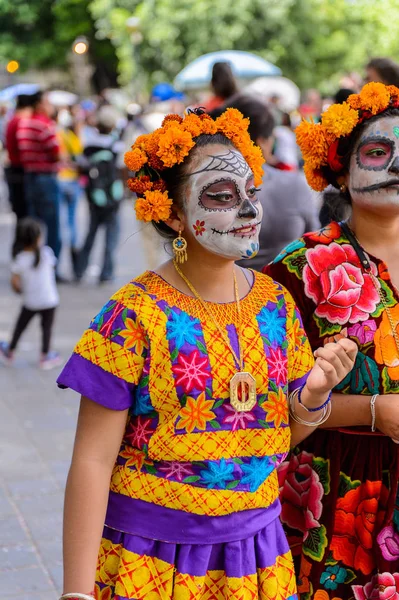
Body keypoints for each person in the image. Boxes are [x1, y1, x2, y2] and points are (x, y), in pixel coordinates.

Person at [56, 108, 357, 600]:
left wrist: (314, 395)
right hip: (149, 556)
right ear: (172, 212)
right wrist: (76, 593)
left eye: (250, 194)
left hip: (257, 554)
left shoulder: (275, 304)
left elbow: (277, 436)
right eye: (221, 196)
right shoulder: (133, 313)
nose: (248, 211)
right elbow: (91, 460)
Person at [265, 82, 399, 598]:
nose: (395, 163)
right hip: (333, 491)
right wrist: (372, 410)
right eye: (376, 152)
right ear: (340, 170)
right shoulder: (298, 270)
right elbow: (269, 405)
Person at [211, 94, 319, 268]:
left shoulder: (208, 191)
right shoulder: (294, 185)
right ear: (262, 142)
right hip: (286, 290)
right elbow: (314, 243)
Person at [0, 217, 62, 370]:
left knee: (20, 326)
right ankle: (45, 356)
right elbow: (52, 271)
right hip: (49, 300)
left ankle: (10, 351)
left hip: (30, 302)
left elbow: (15, 283)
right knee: (46, 328)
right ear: (39, 237)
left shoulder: (19, 260)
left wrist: (20, 290)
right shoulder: (47, 253)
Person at [75, 106, 124, 284]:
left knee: (91, 233)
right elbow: (123, 171)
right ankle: (107, 273)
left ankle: (79, 270)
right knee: (111, 236)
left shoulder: (89, 146)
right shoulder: (117, 146)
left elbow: (82, 168)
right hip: (112, 196)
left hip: (94, 196)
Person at [17, 91, 61, 260]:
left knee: (33, 224)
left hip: (30, 177)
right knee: (52, 226)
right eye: (47, 103)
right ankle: (50, 266)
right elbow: (56, 153)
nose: (51, 106)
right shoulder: (44, 125)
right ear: (39, 105)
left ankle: (32, 261)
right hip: (46, 179)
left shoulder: (25, 124)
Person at [57, 108, 83, 272]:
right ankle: (74, 259)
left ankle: (57, 265)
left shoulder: (57, 136)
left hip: (60, 180)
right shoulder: (73, 138)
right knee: (72, 222)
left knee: (60, 222)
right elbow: (80, 158)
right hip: (72, 181)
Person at [4, 94, 34, 221]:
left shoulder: (12, 121)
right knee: (24, 215)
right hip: (20, 171)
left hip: (15, 170)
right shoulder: (20, 122)